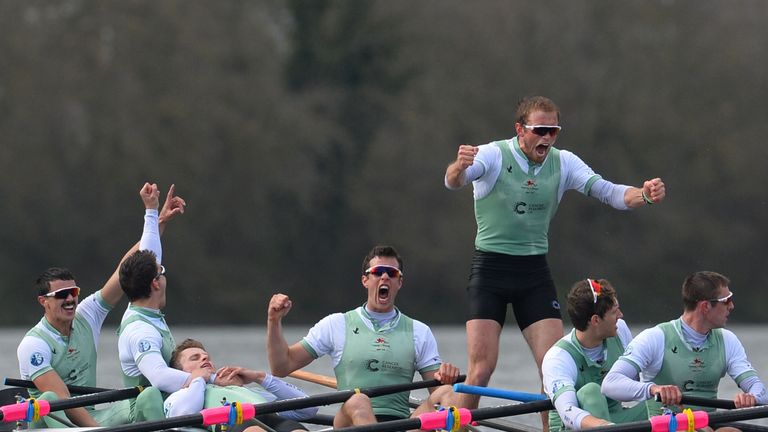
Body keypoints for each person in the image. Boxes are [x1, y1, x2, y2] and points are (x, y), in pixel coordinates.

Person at [443, 95, 667, 416]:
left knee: (552, 370)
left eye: (554, 131)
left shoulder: (564, 163)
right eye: (540, 130)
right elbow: (454, 181)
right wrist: (458, 166)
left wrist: (643, 194)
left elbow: (610, 192)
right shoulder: (493, 155)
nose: (547, 137)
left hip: (534, 273)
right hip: (490, 271)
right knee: (481, 368)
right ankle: (459, 426)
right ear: (520, 130)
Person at [16, 183, 186, 427]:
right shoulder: (34, 344)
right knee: (51, 397)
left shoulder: (86, 315)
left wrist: (155, 220)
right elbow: (63, 400)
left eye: (73, 292)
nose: (70, 299)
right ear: (43, 302)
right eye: (62, 294)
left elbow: (126, 272)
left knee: (147, 396)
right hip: (51, 420)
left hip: (91, 416)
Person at [266, 245, 461, 429]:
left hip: (402, 425)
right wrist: (274, 321)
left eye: (392, 273)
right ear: (365, 280)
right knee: (359, 399)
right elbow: (282, 366)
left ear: (399, 283)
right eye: (377, 272)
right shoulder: (336, 324)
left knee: (448, 393)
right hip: (349, 422)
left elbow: (437, 392)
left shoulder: (419, 331)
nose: (384, 277)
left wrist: (446, 377)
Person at [117, 191, 237, 413]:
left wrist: (152, 211)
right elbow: (160, 377)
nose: (164, 274)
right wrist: (207, 378)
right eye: (161, 272)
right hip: (146, 416)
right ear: (155, 284)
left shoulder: (142, 307)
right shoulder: (140, 330)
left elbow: (150, 255)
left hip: (174, 407)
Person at [602, 271, 767, 429]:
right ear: (705, 306)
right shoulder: (655, 338)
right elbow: (610, 384)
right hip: (668, 425)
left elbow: (759, 389)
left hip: (706, 425)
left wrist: (752, 397)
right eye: (726, 300)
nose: (732, 306)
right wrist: (653, 389)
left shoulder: (727, 340)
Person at [542, 278, 646, 431]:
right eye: (614, 311)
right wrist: (605, 426)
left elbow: (639, 382)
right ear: (595, 320)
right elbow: (567, 411)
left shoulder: (620, 329)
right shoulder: (558, 358)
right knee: (591, 392)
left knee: (660, 399)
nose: (621, 315)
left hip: (615, 419)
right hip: (573, 426)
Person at [164, 338, 318, 432]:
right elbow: (181, 415)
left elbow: (309, 408)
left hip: (270, 417)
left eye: (206, 357)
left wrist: (259, 377)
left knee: (295, 428)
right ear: (180, 371)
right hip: (232, 421)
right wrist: (198, 379)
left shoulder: (243, 390)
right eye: (195, 358)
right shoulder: (180, 394)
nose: (204, 359)